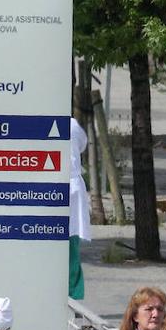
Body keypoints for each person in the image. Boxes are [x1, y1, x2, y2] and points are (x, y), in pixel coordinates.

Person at [68, 116, 92, 300]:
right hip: (73, 191)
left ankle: (72, 295)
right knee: (71, 250)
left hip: (51, 190)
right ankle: (73, 296)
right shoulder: (73, 125)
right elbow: (83, 144)